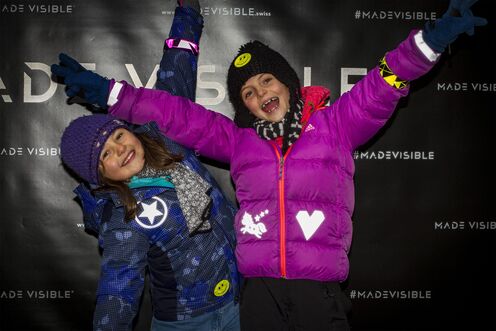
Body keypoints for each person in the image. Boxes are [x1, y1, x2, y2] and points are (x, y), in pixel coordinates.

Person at [51, 0, 486, 330]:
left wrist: (431, 40)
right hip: (255, 295)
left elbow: (382, 84)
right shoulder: (239, 142)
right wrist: (110, 93)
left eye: (266, 81)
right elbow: (176, 115)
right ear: (246, 108)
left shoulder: (335, 126)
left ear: (287, 83)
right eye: (248, 94)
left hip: (318, 292)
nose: (260, 94)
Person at [56, 2, 240, 330]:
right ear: (100, 176)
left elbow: (177, 68)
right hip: (187, 321)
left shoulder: (167, 136)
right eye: (105, 156)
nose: (120, 150)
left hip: (241, 299)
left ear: (131, 129)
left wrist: (187, 13)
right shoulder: (123, 217)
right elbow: (119, 291)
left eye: (118, 136)